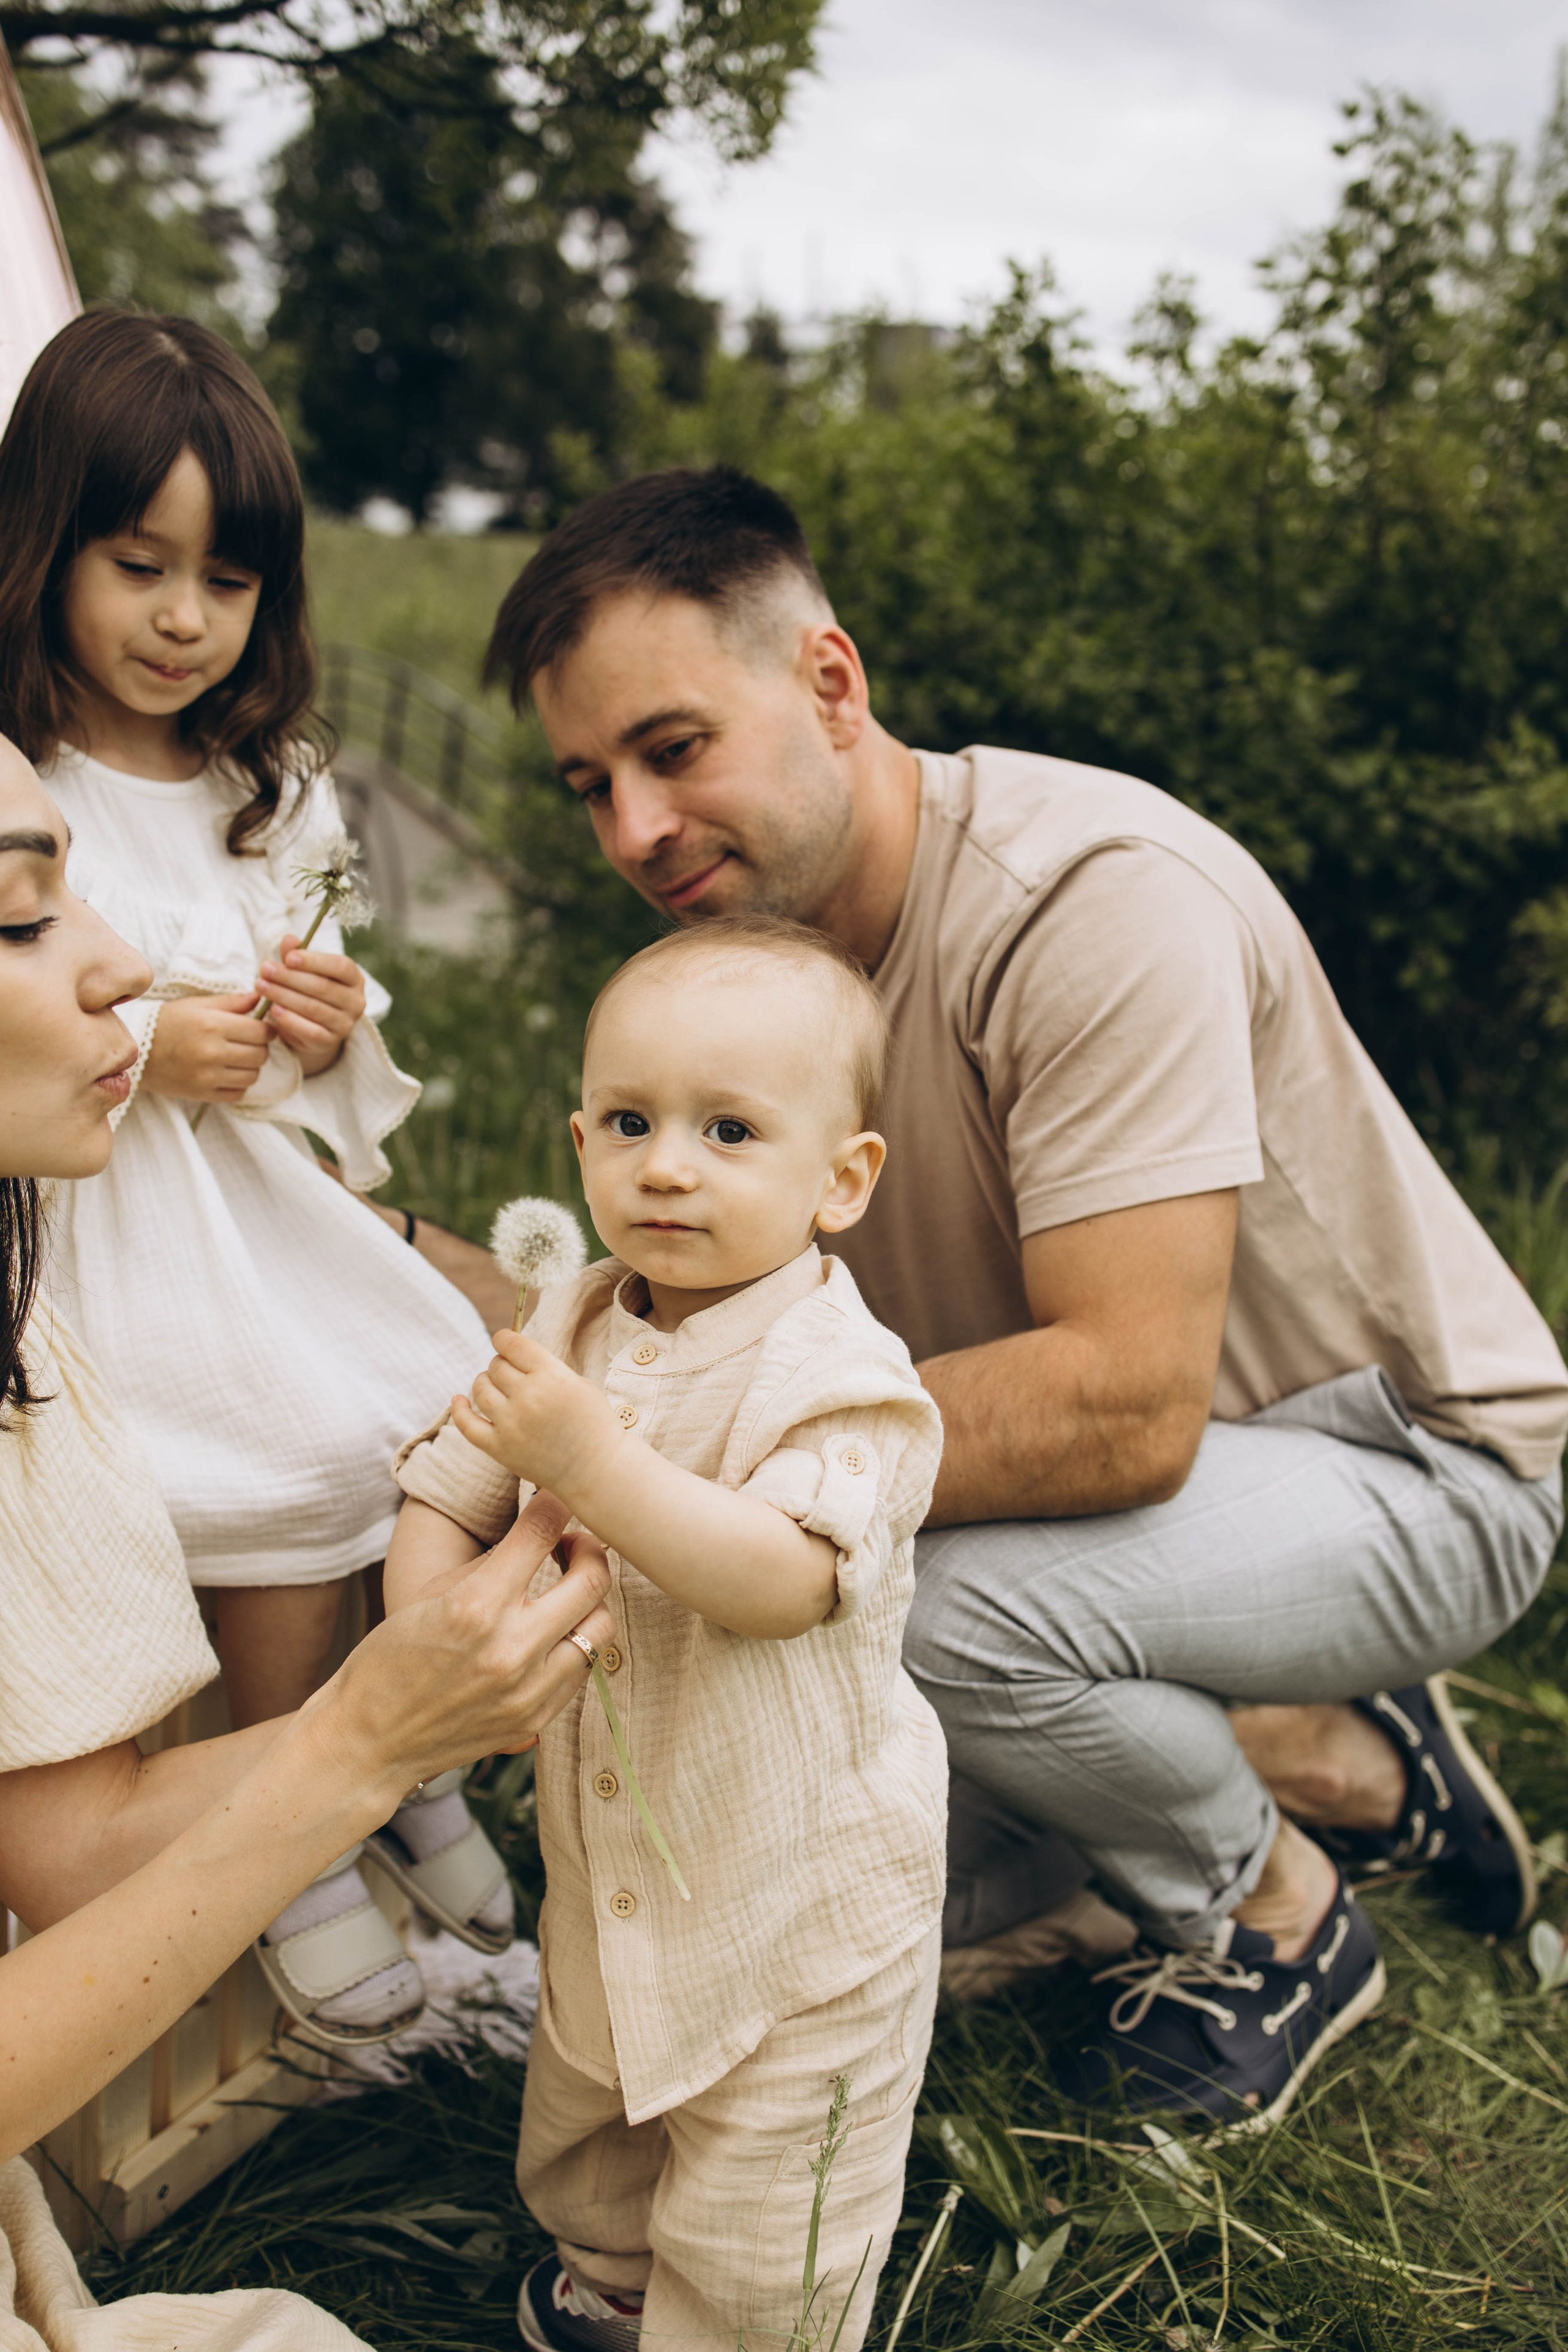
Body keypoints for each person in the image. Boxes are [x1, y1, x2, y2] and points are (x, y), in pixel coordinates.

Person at [479, 464, 1568, 2127]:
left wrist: (657, 1476)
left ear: (829, 684)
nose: (632, 830)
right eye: (589, 784)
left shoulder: (1090, 898)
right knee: (900, 1875)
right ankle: (1339, 1752)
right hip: (1185, 1495)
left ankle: (1277, 1913)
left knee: (923, 1604)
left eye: (673, 749)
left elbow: (1123, 1409)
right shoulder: (761, 983)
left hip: (1417, 1467)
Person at [0, 732, 616, 2345]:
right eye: (18, 913)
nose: (123, 960)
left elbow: (69, 1851)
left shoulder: (24, 1347)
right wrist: (361, 1743)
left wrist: (411, 1711)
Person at [0, 311, 512, 2048]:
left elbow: (331, 1061)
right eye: (136, 565)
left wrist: (327, 1019)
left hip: (253, 1210)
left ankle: (389, 1759)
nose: (178, 622)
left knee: (434, 1395)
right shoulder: (28, 787)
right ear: (43, 546)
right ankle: (290, 1833)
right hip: (104, 1233)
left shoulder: (257, 792)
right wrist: (156, 1055)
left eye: (223, 584)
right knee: (291, 1456)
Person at [386, 916, 946, 2352]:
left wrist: (591, 1464)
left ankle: (737, 2323)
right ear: (577, 1141)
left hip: (803, 1882)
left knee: (768, 2186)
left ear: (842, 1180)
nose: (667, 1164)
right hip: (613, 1845)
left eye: (729, 1130)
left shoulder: (842, 1377)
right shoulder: (567, 1319)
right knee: (590, 2105)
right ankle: (614, 2283)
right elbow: (449, 1487)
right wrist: (432, 1633)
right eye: (628, 1122)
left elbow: (780, 1579)